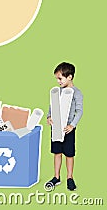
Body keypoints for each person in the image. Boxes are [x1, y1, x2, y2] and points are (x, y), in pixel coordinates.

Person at [46, 62, 83, 191]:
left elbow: (79, 111)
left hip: (68, 129)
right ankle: (56, 177)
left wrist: (72, 125)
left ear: (70, 77)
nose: (58, 81)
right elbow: (52, 106)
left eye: (60, 78)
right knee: (57, 152)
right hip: (56, 127)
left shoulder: (76, 93)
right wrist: (49, 117)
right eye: (57, 78)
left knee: (69, 154)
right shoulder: (57, 92)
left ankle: (69, 178)